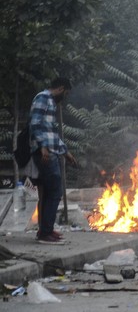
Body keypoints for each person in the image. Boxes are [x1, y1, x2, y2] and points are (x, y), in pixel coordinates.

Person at [30, 77, 78, 244]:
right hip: (45, 153)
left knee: (49, 192)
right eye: (66, 93)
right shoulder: (43, 98)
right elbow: (35, 124)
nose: (65, 96)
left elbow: (52, 133)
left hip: (51, 151)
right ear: (61, 88)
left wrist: (66, 153)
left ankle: (45, 230)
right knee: (55, 191)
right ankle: (45, 234)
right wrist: (43, 146)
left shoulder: (50, 101)